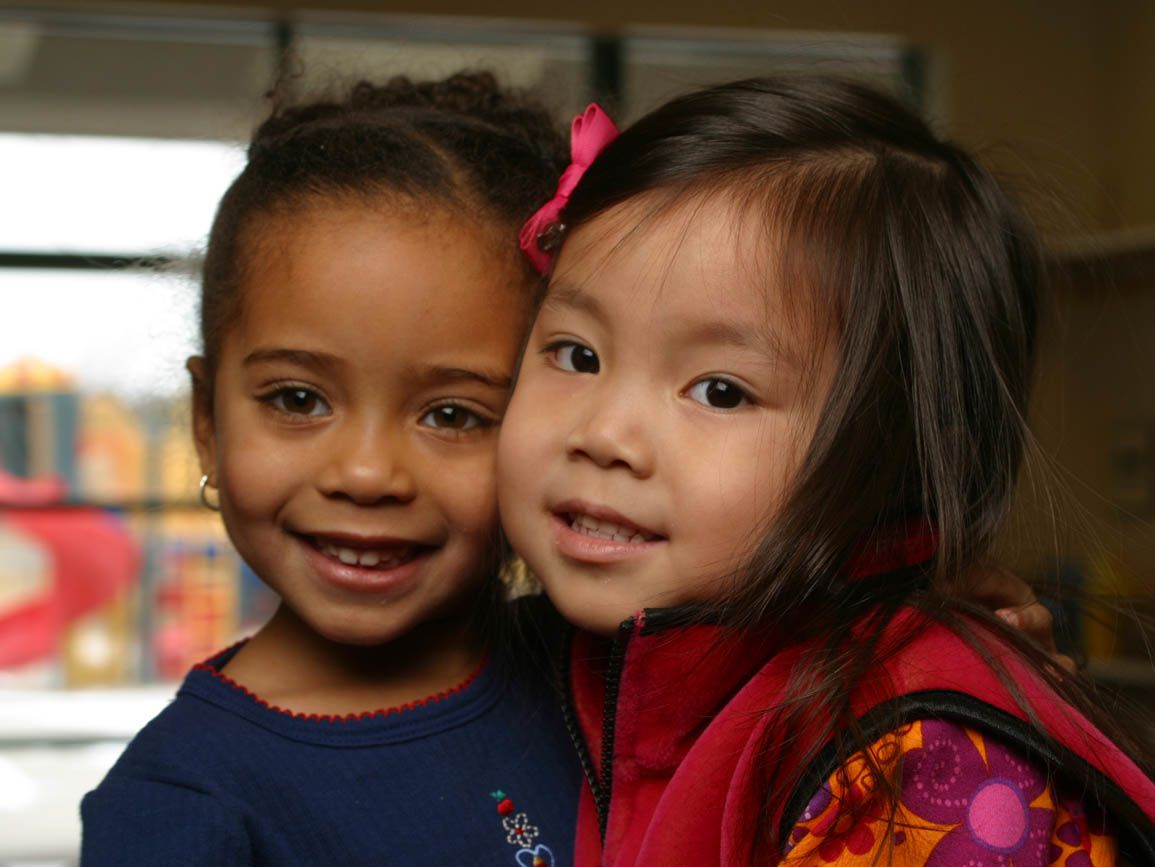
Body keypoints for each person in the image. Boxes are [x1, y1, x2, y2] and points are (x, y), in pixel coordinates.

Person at [497, 76, 1155, 865]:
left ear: (897, 451)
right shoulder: (567, 663)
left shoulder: (925, 766)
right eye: (577, 354)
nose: (603, 434)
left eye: (719, 391)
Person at [80, 72, 582, 866]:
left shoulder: (600, 673)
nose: (366, 473)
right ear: (208, 422)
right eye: (298, 399)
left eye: (453, 414)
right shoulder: (180, 805)